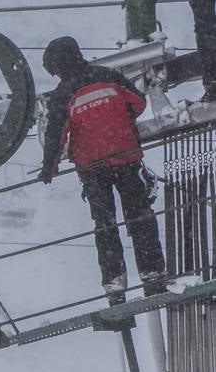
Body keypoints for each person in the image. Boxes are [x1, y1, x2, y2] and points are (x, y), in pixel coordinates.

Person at [39, 35, 166, 298]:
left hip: (92, 168)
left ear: (58, 66)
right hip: (126, 157)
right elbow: (138, 103)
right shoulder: (108, 75)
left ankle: (115, 283)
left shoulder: (64, 92)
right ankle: (152, 274)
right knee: (140, 214)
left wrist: (48, 167)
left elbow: (56, 135)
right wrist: (117, 122)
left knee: (105, 224)